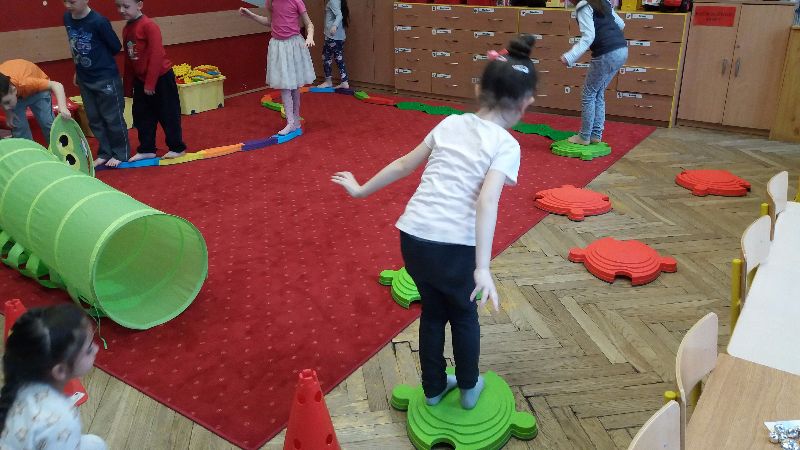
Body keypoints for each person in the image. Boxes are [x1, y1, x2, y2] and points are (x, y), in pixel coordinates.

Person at [332, 36, 537, 410]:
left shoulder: (450, 123)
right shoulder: (506, 145)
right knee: (463, 315)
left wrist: (361, 190)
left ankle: (433, 388)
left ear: (477, 90)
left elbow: (403, 165)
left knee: (432, 313)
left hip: (413, 237)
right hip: (454, 248)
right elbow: (487, 200)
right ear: (526, 103)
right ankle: (469, 388)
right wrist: (482, 268)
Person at [0, 305, 105, 449]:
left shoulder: (20, 381)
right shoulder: (62, 420)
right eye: (89, 349)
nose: (97, 349)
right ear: (60, 370)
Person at [117, 0, 187, 162]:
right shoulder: (127, 28)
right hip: (140, 80)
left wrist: (150, 82)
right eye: (118, 6)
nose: (121, 10)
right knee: (142, 115)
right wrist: (127, 86)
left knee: (168, 114)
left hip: (160, 78)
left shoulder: (149, 26)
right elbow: (129, 59)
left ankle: (177, 147)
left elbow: (157, 54)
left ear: (139, 5)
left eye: (126, 6)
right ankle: (147, 149)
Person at [64, 0, 131, 168]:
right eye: (64, 1)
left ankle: (120, 152)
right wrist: (78, 70)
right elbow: (76, 48)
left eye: (72, 1)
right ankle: (105, 152)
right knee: (94, 118)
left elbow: (115, 47)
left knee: (112, 117)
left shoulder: (99, 21)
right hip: (85, 78)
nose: (68, 5)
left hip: (105, 77)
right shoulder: (67, 18)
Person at [240, 0, 316, 136]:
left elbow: (309, 23)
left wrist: (309, 37)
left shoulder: (296, 1)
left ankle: (295, 119)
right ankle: (290, 122)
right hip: (279, 47)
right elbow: (270, 22)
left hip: (293, 45)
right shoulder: (271, 1)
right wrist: (251, 15)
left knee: (294, 86)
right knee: (285, 86)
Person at [560, 0, 627, 145]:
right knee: (598, 92)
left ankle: (584, 136)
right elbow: (621, 24)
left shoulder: (583, 6)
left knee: (588, 94)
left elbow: (588, 36)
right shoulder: (602, 1)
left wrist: (570, 56)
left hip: (606, 52)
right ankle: (596, 135)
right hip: (621, 49)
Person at [0, 60, 71, 146]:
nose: (6, 108)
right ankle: (27, 151)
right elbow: (4, 101)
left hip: (38, 91)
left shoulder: (26, 83)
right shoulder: (6, 95)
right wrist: (9, 114)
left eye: (7, 103)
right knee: (19, 127)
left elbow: (57, 85)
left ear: (14, 91)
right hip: (14, 94)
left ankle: (58, 148)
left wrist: (63, 107)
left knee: (48, 123)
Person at [317, 0, 350, 90]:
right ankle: (344, 81)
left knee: (326, 57)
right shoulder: (338, 1)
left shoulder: (333, 1)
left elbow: (339, 15)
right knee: (338, 58)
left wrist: (334, 26)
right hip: (339, 36)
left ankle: (328, 81)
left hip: (332, 36)